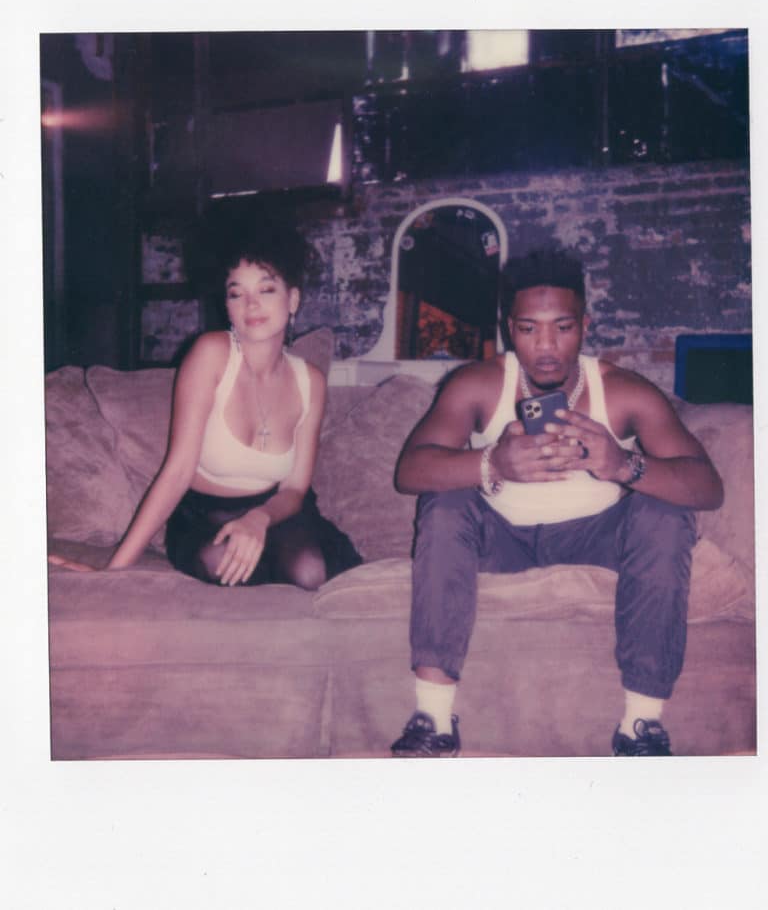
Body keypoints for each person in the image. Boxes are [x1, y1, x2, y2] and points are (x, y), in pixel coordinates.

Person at [389, 248, 723, 758]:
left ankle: (641, 725)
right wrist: (491, 463)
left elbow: (708, 486)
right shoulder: (478, 384)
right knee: (446, 503)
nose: (546, 347)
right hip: (500, 540)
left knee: (665, 510)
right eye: (528, 329)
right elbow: (409, 471)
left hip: (598, 540)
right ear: (510, 329)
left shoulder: (624, 392)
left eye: (562, 328)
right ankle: (432, 718)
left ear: (584, 326)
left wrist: (622, 465)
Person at [49, 221, 362, 588]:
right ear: (226, 306)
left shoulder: (312, 382)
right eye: (236, 293)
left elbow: (294, 489)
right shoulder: (211, 354)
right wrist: (112, 574)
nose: (251, 304)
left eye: (266, 289)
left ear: (292, 300)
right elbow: (177, 471)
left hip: (276, 512)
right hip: (204, 516)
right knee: (221, 564)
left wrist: (259, 519)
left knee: (309, 570)